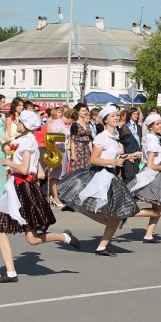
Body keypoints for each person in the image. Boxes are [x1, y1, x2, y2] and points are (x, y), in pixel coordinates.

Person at [0, 110, 81, 283]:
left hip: (21, 189)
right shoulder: (24, 140)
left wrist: (8, 163)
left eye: (19, 122)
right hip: (17, 187)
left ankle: (11, 272)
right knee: (22, 236)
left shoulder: (28, 142)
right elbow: (37, 171)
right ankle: (65, 237)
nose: (16, 124)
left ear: (25, 125)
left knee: (19, 235)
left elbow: (24, 169)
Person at [57, 105, 140, 256]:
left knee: (115, 217)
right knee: (112, 215)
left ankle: (102, 247)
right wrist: (113, 163)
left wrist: (128, 156)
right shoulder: (102, 137)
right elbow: (93, 159)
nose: (116, 117)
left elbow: (112, 156)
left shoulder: (115, 135)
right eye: (112, 115)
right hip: (102, 176)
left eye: (117, 115)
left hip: (111, 176)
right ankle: (78, 209)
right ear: (105, 119)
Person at [125, 113, 161, 243]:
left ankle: (149, 235)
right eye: (157, 124)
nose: (160, 126)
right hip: (153, 176)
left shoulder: (149, 138)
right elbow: (151, 164)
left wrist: (160, 157)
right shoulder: (152, 140)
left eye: (160, 123)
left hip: (152, 174)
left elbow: (150, 157)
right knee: (158, 210)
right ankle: (129, 213)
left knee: (159, 208)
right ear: (151, 126)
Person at [69, 103, 93, 171]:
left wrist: (92, 152)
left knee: (87, 169)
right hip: (78, 149)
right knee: (77, 169)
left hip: (87, 149)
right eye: (83, 111)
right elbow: (72, 140)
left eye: (85, 111)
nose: (85, 112)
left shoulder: (87, 124)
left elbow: (89, 140)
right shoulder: (75, 124)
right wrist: (73, 154)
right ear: (78, 112)